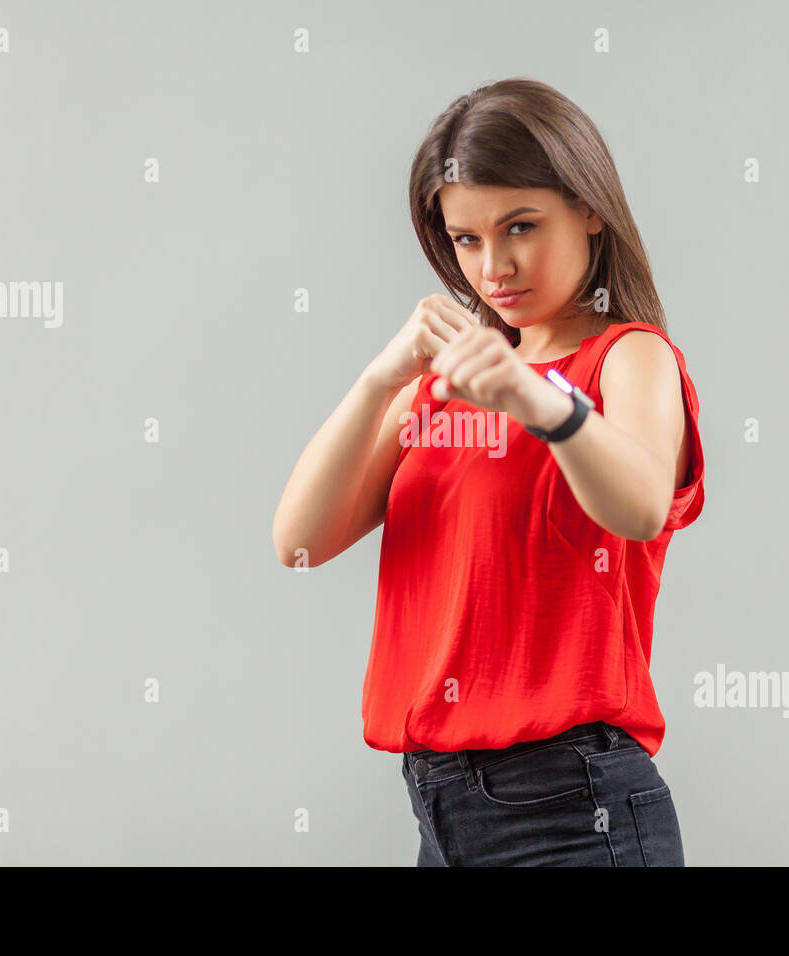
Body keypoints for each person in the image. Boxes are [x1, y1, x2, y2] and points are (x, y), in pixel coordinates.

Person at [272, 77, 705, 866]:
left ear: (589, 209)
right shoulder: (444, 384)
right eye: (466, 239)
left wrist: (538, 401)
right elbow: (297, 539)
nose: (494, 267)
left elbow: (641, 505)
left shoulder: (629, 357)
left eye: (521, 226)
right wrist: (379, 379)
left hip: (573, 810)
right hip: (442, 809)